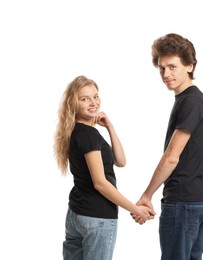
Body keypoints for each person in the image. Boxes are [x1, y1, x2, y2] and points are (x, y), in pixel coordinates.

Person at [131, 33, 203, 260]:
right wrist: (202, 189)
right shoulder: (196, 100)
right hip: (198, 204)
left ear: (190, 66)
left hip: (182, 207)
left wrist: (146, 195)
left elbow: (171, 157)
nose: (165, 74)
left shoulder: (190, 101)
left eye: (172, 67)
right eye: (161, 68)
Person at [54, 75, 155, 260]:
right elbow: (100, 183)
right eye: (84, 99)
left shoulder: (78, 131)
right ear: (73, 104)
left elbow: (121, 161)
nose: (93, 103)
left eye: (96, 96)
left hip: (76, 215)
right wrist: (135, 209)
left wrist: (109, 127)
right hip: (97, 218)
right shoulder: (89, 135)